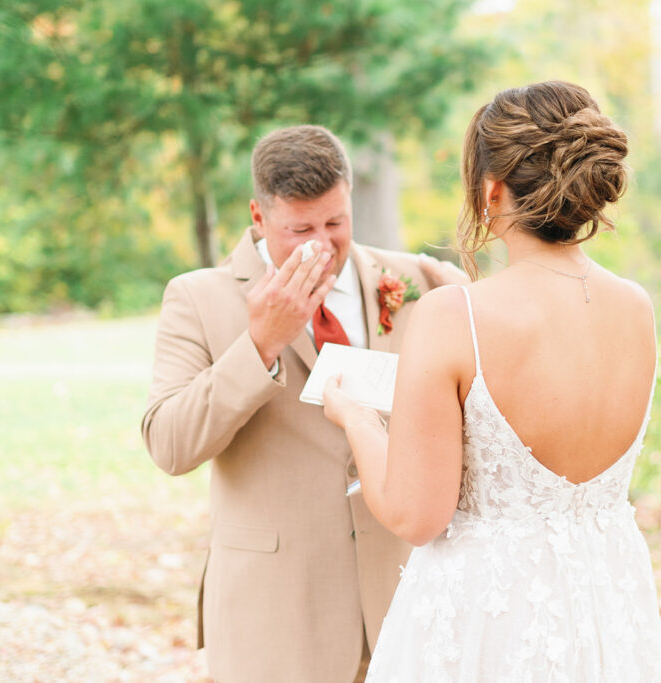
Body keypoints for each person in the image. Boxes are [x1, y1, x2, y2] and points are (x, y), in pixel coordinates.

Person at [323, 81, 661, 681]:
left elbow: (415, 515)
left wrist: (355, 416)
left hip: (489, 622)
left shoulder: (456, 316)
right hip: (607, 610)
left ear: (491, 191)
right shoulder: (635, 307)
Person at [141, 125, 466, 682]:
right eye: (300, 228)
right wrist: (260, 344)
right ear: (258, 215)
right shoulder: (197, 297)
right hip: (274, 618)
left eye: (336, 223)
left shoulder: (413, 281)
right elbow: (169, 445)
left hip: (403, 604)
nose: (322, 243)